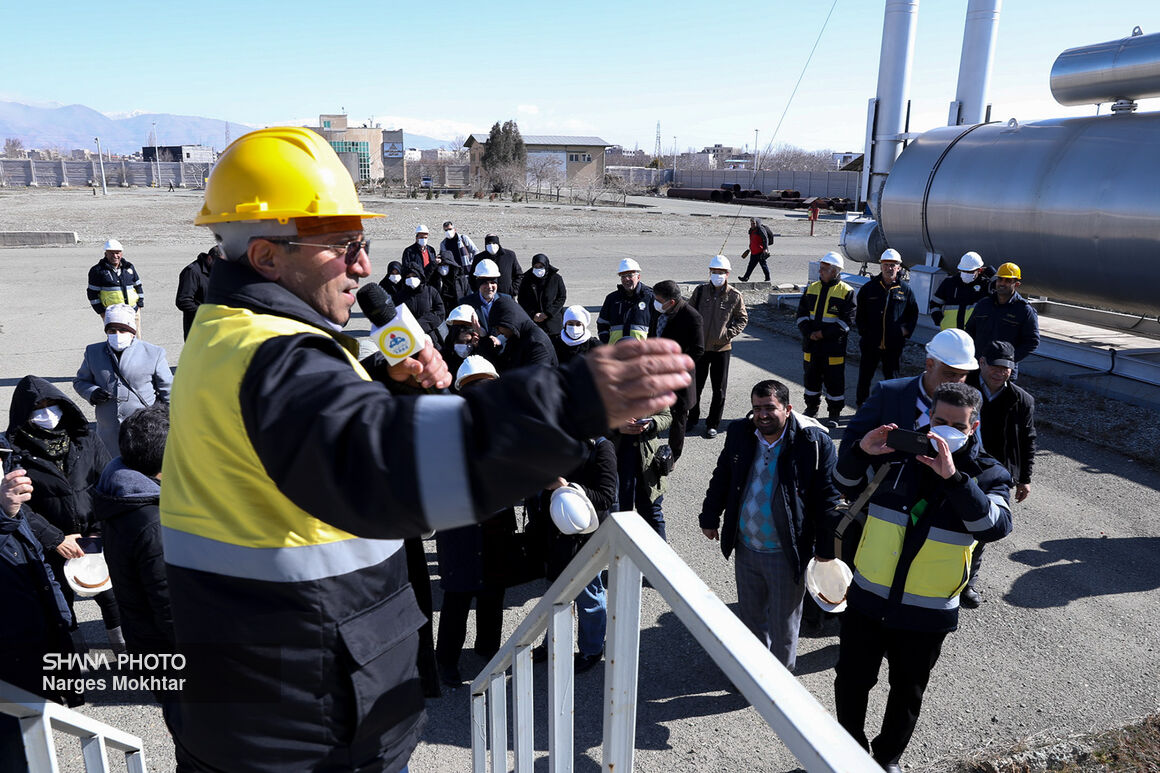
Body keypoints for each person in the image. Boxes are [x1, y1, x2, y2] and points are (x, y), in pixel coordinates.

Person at [162, 125, 692, 773]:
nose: (363, 265)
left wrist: (385, 385)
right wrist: (570, 403)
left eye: (364, 243)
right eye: (344, 246)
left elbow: (309, 449)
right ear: (269, 257)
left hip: (257, 707)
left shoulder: (224, 334)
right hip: (307, 734)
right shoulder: (276, 359)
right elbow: (394, 470)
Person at [830, 382, 1013, 772]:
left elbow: (994, 526)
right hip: (867, 597)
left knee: (907, 692)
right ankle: (848, 751)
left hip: (925, 611)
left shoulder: (988, 473)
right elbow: (844, 484)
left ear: (973, 427)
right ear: (928, 417)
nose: (944, 429)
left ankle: (888, 759)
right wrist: (861, 451)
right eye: (938, 420)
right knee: (850, 682)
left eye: (956, 425)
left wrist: (954, 479)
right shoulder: (898, 457)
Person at [698, 380, 840, 671]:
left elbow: (829, 500)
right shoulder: (741, 432)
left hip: (786, 552)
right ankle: (753, 674)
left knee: (784, 622)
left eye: (769, 408)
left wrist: (825, 550)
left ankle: (779, 683)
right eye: (756, 408)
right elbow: (723, 474)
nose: (762, 415)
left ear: (787, 409)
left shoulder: (812, 442)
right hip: (747, 546)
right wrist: (710, 516)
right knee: (750, 617)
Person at [4, 375, 121, 652]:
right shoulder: (15, 452)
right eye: (37, 407)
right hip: (50, 547)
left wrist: (98, 531)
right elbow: (21, 506)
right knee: (61, 609)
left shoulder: (86, 439)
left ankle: (127, 656)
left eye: (51, 404)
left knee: (112, 598)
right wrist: (55, 539)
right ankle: (73, 664)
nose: (47, 413)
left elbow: (108, 483)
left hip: (94, 539)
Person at [434, 356, 515, 686]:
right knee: (480, 596)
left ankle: (451, 662)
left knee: (462, 596)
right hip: (481, 523)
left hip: (464, 525)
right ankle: (481, 654)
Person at [0, 444, 79, 772]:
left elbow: (36, 561)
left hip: (33, 648)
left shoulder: (11, 491)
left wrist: (62, 620)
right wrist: (3, 513)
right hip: (9, 663)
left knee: (34, 735)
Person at [525, 435, 618, 673]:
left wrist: (568, 489)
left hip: (585, 536)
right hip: (553, 534)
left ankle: (591, 649)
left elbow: (607, 496)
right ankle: (552, 643)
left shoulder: (602, 448)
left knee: (589, 597)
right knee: (553, 593)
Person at [961, 340, 1036, 608]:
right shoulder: (962, 389)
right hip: (961, 468)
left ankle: (968, 584)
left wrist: (1024, 478)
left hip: (997, 476)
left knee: (983, 530)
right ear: (981, 362)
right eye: (995, 365)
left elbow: (1028, 440)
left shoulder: (1021, 400)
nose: (1000, 371)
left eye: (1006, 367)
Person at [840, 328, 980, 459]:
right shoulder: (890, 393)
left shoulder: (971, 401)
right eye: (950, 374)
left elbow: (975, 450)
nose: (956, 382)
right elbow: (852, 439)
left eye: (962, 375)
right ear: (930, 364)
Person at [74, 304, 173, 457]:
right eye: (112, 331)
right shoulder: (93, 352)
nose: (117, 335)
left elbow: (168, 391)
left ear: (132, 332)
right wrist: (92, 392)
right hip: (108, 431)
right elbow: (80, 381)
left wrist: (170, 420)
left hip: (145, 428)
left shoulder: (154, 353)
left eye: (123, 330)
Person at [688, 255, 748, 439]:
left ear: (728, 274)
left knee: (719, 389)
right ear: (710, 272)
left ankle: (713, 423)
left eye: (721, 272)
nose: (717, 275)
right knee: (695, 386)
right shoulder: (700, 292)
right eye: (714, 272)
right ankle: (692, 419)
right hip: (700, 348)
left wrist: (727, 334)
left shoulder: (734, 296)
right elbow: (689, 313)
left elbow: (742, 319)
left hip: (721, 349)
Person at [796, 252, 855, 427]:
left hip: (833, 348)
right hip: (811, 346)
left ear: (835, 271)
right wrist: (809, 333)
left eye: (824, 269)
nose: (820, 272)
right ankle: (811, 409)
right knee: (811, 378)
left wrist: (822, 334)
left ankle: (834, 413)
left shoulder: (847, 292)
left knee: (834, 381)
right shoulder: (811, 288)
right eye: (820, 268)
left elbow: (846, 322)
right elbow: (801, 315)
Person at [855, 249, 918, 407]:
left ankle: (892, 407)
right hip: (871, 343)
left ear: (898, 267)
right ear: (881, 266)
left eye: (893, 265)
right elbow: (860, 314)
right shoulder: (869, 288)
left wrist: (905, 332)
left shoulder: (905, 290)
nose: (889, 268)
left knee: (893, 379)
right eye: (886, 264)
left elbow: (913, 313)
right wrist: (865, 332)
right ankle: (861, 405)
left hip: (893, 345)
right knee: (865, 377)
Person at [649, 280, 704, 463]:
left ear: (671, 301)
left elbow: (697, 350)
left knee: (678, 416)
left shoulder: (691, 316)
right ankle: (651, 450)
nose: (654, 302)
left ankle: (671, 457)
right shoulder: (659, 310)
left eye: (658, 299)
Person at [966, 262, 1040, 376]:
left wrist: (1008, 360)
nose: (1002, 283)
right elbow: (970, 331)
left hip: (1003, 371)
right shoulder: (983, 304)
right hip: (978, 367)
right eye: (1000, 279)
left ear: (1016, 284)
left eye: (1007, 281)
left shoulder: (1024, 310)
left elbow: (1032, 341)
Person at [612, 406, 672, 541]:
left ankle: (660, 559)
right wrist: (615, 427)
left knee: (653, 514)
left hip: (647, 465)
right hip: (617, 464)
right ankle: (621, 557)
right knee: (618, 516)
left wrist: (651, 424)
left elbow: (666, 416)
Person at [477, 297, 558, 372]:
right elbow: (502, 367)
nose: (498, 333)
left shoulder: (537, 343)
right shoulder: (516, 337)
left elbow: (534, 382)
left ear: (508, 321)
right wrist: (485, 341)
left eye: (498, 327)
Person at [87, 238, 145, 333]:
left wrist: (139, 305)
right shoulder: (97, 271)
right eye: (111, 253)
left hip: (133, 311)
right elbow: (92, 294)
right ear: (106, 254)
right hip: (112, 314)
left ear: (121, 253)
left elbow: (138, 285)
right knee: (117, 341)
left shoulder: (129, 267)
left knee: (136, 341)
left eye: (117, 253)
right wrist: (102, 312)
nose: (115, 256)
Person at [929, 251, 992, 331]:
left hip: (973, 334)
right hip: (949, 333)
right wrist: (940, 321)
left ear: (979, 270)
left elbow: (1001, 288)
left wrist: (990, 271)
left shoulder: (985, 284)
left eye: (970, 272)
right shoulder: (950, 282)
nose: (965, 274)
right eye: (963, 271)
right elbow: (934, 303)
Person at [383, 262, 445, 341]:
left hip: (430, 334)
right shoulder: (399, 296)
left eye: (414, 276)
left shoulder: (431, 292)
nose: (411, 279)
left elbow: (440, 312)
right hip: (408, 335)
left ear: (420, 276)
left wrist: (422, 324)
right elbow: (393, 315)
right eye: (408, 276)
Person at [597, 258, 653, 344]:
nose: (626, 279)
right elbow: (602, 323)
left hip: (642, 352)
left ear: (638, 277)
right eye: (623, 276)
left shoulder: (649, 297)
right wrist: (606, 343)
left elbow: (658, 324)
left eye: (630, 275)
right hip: (616, 352)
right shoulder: (612, 298)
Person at [517, 253, 567, 336]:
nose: (538, 269)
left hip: (553, 324)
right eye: (536, 267)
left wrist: (548, 313)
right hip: (534, 322)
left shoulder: (556, 278)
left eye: (541, 266)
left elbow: (561, 297)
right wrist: (533, 314)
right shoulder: (526, 279)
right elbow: (522, 300)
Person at [175, 245, 219, 339]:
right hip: (198, 329)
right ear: (210, 259)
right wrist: (206, 312)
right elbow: (183, 301)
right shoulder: (192, 272)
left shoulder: (219, 271)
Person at [426, 248, 471, 315]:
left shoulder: (461, 279)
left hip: (457, 312)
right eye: (440, 266)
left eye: (445, 265)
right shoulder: (434, 278)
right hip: (441, 313)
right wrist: (433, 264)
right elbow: (424, 279)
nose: (443, 268)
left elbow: (468, 296)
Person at [739, 217, 774, 282]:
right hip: (754, 251)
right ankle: (745, 278)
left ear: (757, 223)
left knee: (763, 265)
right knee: (750, 266)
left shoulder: (760, 229)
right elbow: (752, 240)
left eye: (753, 223)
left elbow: (765, 239)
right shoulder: (751, 230)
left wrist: (765, 249)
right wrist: (750, 247)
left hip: (760, 251)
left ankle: (768, 278)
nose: (752, 225)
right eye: (751, 223)